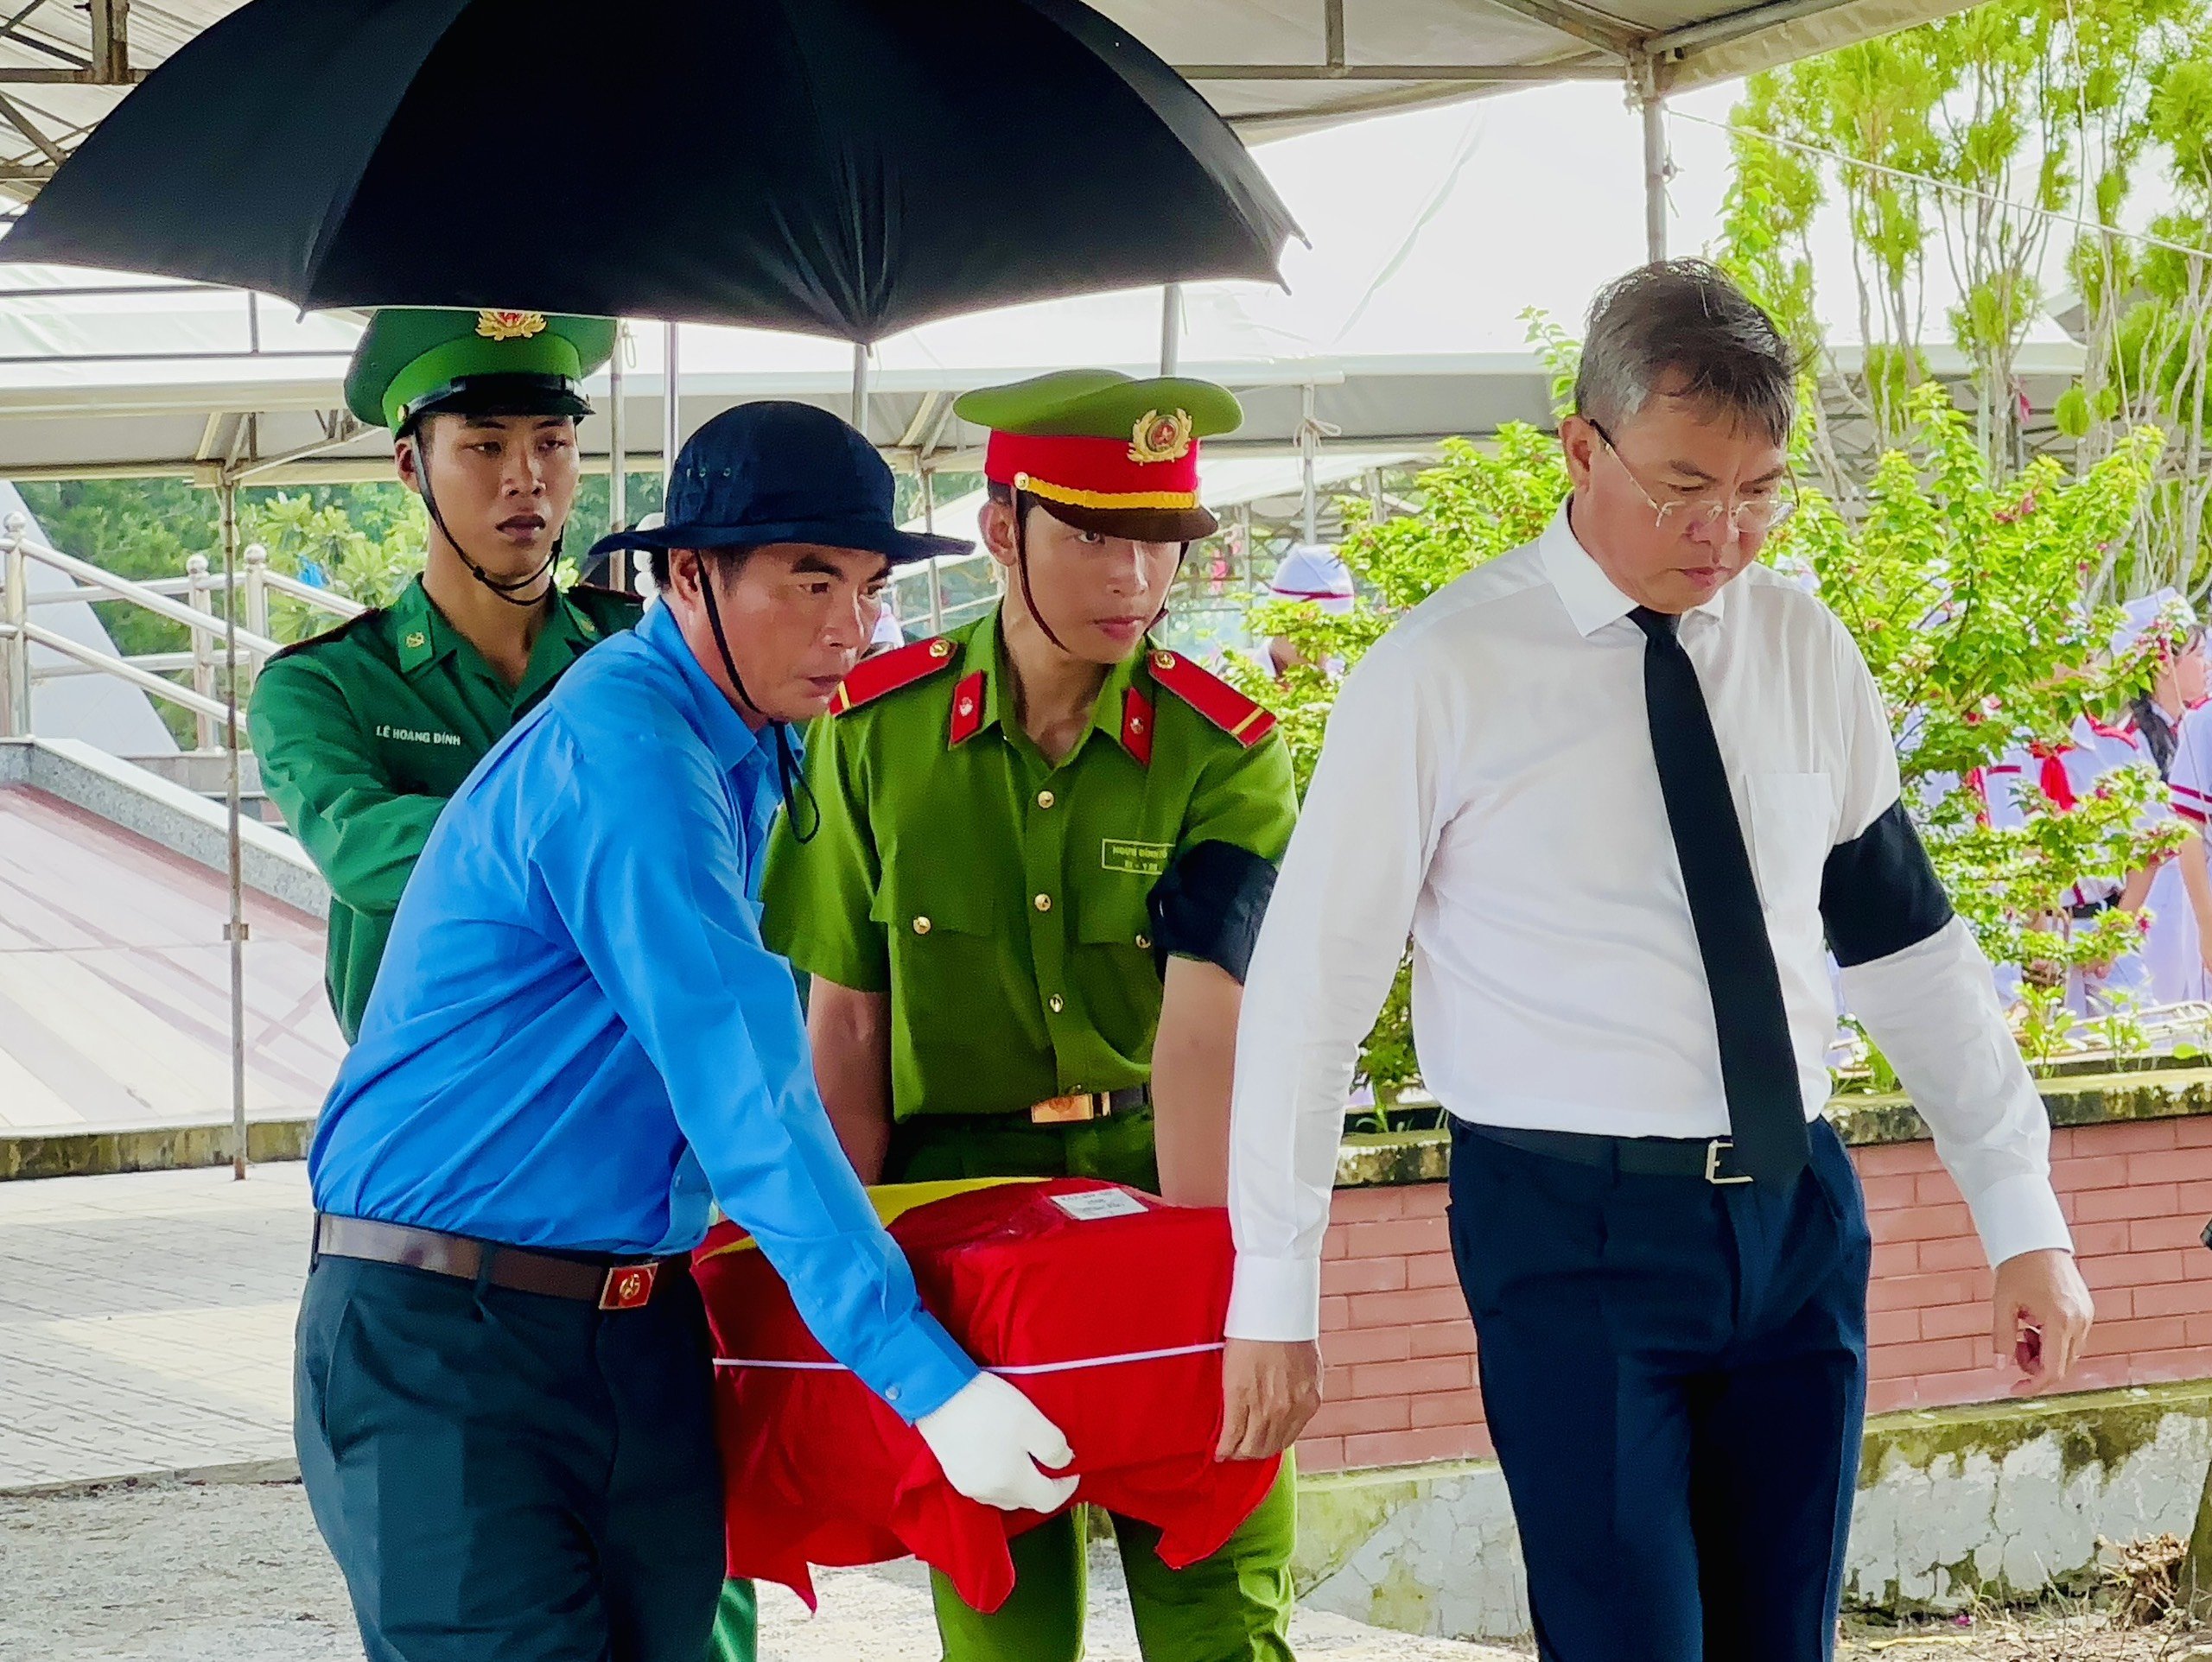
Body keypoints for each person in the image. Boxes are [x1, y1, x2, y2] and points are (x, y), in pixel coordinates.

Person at [1216, 262, 2094, 1661]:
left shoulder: (1803, 650)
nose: (1724, 531)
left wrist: (2021, 1209)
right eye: (1685, 485)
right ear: (1582, 446)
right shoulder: (1441, 671)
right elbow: (1313, 995)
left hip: (1797, 1220)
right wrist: (1275, 1289)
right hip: (1573, 1231)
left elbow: (1907, 946)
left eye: (1760, 491)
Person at [293, 402, 1080, 1662]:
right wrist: (922, 1375)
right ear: (687, 575)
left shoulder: (756, 749)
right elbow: (745, 1083)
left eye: (871, 587)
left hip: (638, 1323)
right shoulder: (631, 747)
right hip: (445, 1337)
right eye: (811, 579)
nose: (851, 628)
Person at [756, 369, 1300, 1662]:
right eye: (1097, 536)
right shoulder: (873, 734)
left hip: (1163, 1186)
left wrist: (1220, 1297)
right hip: (962, 1234)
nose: (1136, 579)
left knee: (1223, 1620)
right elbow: (846, 1032)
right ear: (1002, 527)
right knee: (1004, 1628)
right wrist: (847, 1306)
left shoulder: (1224, 750)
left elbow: (1205, 1033)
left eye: (1161, 542)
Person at [250, 308, 641, 1042]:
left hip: (623, 1083)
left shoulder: (637, 654)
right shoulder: (325, 686)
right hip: (434, 1083)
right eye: (486, 446)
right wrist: (615, 833)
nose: (527, 479)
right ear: (410, 465)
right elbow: (363, 853)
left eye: (552, 443)